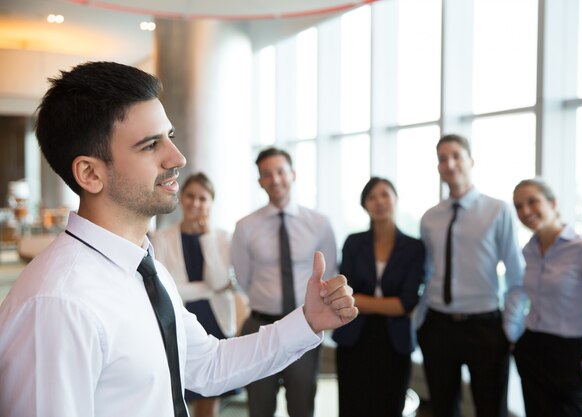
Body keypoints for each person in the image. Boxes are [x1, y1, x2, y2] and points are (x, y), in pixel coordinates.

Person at [0, 61, 358, 417]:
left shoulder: (143, 265)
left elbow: (208, 365)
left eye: (169, 137)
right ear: (91, 173)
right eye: (150, 145)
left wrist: (307, 321)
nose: (178, 157)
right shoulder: (57, 303)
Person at [416, 133, 526, 417]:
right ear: (438, 167)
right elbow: (427, 273)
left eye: (456, 156)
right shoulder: (430, 218)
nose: (449, 163)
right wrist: (421, 323)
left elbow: (516, 274)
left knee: (491, 410)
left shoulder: (497, 210)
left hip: (486, 328)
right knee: (443, 409)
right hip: (438, 327)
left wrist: (510, 328)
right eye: (442, 159)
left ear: (470, 161)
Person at [231, 146, 337, 417]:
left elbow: (328, 274)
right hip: (260, 327)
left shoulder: (319, 223)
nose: (275, 179)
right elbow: (244, 278)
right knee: (260, 406)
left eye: (280, 172)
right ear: (260, 181)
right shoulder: (245, 227)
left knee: (302, 405)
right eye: (267, 174)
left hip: (304, 324)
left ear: (293, 174)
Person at [512, 177, 582, 417]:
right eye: (519, 206)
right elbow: (523, 295)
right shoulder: (529, 250)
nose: (525, 211)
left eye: (532, 201)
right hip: (531, 351)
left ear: (553, 203)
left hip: (570, 359)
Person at [332, 177, 425, 417]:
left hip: (395, 341)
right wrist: (385, 304)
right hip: (354, 338)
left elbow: (405, 303)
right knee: (353, 407)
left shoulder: (414, 247)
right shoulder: (354, 243)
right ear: (365, 205)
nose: (379, 201)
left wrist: (363, 301)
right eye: (372, 197)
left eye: (385, 194)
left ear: (395, 199)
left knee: (390, 406)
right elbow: (346, 295)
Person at [151, 172, 240, 417]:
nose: (195, 203)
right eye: (190, 196)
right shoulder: (162, 237)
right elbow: (168, 287)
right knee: (179, 392)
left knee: (210, 396)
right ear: (181, 196)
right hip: (180, 319)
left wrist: (207, 236)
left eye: (203, 198)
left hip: (215, 319)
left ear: (211, 203)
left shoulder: (221, 237)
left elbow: (220, 281)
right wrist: (209, 287)